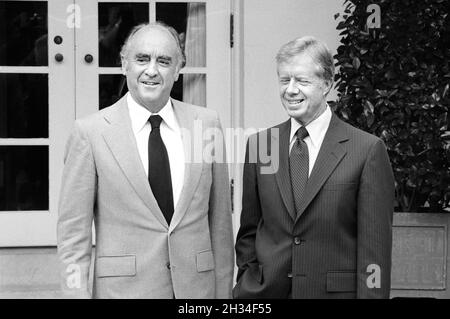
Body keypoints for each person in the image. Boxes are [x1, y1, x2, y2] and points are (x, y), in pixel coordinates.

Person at [57, 22, 234, 298]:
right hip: (122, 291)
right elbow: (72, 238)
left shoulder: (207, 125)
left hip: (196, 293)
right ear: (123, 64)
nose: (152, 70)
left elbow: (220, 227)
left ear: (177, 71)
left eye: (164, 61)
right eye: (142, 59)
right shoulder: (90, 133)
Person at [233, 36, 395, 299]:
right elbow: (249, 231)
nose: (291, 89)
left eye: (302, 81)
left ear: (327, 85)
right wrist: (247, 282)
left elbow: (374, 250)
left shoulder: (366, 150)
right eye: (285, 80)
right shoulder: (261, 145)